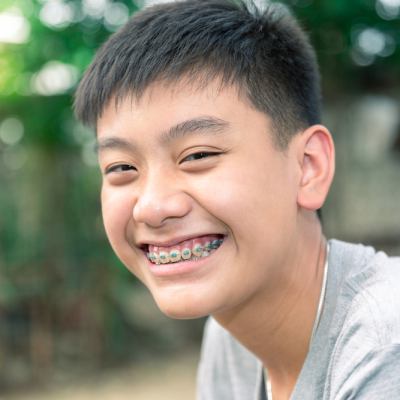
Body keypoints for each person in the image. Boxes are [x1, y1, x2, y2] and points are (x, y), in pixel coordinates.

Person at [74, 1, 400, 399]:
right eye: (121, 168)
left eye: (197, 155)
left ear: (308, 167)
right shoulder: (232, 339)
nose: (152, 207)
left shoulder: (386, 343)